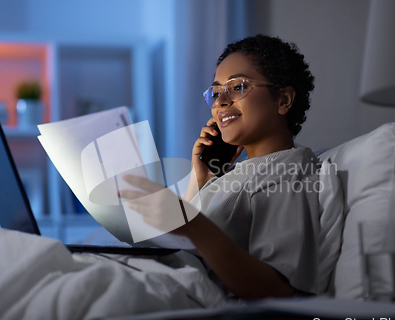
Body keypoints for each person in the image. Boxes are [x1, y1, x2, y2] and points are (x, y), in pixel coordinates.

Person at [120, 34, 319, 300]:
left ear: (283, 100)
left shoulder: (290, 173)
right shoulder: (236, 173)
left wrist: (193, 224)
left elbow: (279, 290)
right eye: (216, 91)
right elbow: (180, 242)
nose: (220, 102)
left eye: (237, 87)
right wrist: (200, 179)